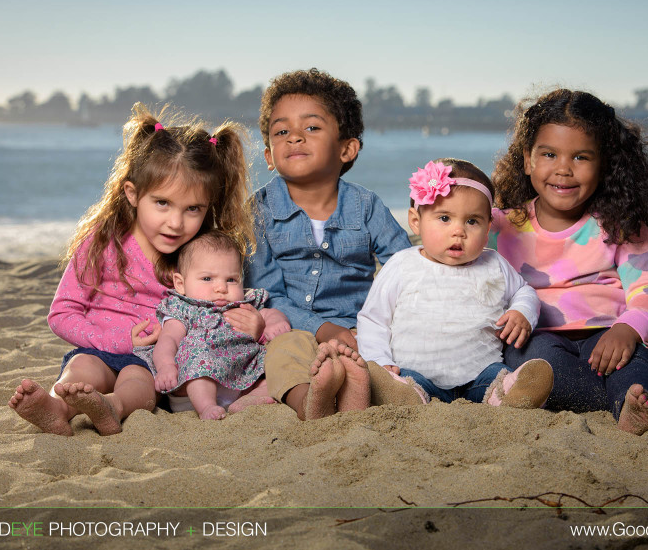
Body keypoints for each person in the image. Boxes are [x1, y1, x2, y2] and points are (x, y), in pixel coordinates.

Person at [9, 104, 254, 435]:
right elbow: (62, 313)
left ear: (208, 206)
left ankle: (114, 407)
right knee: (81, 371)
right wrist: (117, 340)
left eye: (193, 209)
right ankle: (55, 408)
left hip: (152, 362)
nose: (176, 222)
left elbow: (219, 308)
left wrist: (255, 324)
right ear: (133, 193)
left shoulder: (200, 255)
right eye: (162, 203)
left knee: (138, 382)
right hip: (96, 348)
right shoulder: (103, 240)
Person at [491, 88, 648, 435]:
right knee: (542, 370)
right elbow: (453, 232)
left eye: (581, 157)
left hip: (609, 333)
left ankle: (633, 401)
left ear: (604, 163)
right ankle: (632, 400)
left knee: (634, 363)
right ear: (527, 159)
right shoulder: (500, 225)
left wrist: (628, 329)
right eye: (549, 154)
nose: (564, 169)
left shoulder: (620, 224)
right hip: (539, 336)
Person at [243, 68, 411, 420]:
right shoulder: (259, 211)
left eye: (312, 128)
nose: (295, 138)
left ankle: (373, 389)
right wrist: (319, 328)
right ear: (270, 156)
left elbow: (404, 266)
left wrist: (371, 323)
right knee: (284, 353)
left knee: (388, 350)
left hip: (359, 326)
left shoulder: (366, 207)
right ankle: (310, 402)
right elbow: (265, 292)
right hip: (291, 326)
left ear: (347, 149)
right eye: (282, 131)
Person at [356, 159, 554, 407]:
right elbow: (374, 319)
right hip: (416, 373)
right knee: (405, 383)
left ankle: (509, 394)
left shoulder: (494, 264)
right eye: (445, 218)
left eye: (472, 221)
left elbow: (524, 291)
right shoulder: (402, 265)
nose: (459, 231)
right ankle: (406, 397)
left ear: (488, 227)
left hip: (479, 374)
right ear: (415, 221)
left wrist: (521, 310)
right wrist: (379, 360)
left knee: (498, 377)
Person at [133, 231, 288, 420]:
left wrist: (274, 322)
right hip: (193, 385)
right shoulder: (185, 308)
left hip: (242, 379)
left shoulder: (244, 304)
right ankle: (206, 407)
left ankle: (252, 396)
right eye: (207, 279)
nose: (221, 288)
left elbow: (268, 313)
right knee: (198, 356)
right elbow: (168, 340)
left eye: (231, 279)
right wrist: (166, 366)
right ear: (180, 284)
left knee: (275, 364)